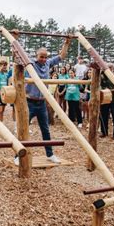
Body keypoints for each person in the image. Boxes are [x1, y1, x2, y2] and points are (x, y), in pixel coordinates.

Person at [22, 37, 71, 165]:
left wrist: (66, 43)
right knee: (23, 129)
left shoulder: (48, 63)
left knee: (45, 129)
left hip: (42, 102)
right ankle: (19, 154)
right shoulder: (30, 64)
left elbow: (62, 56)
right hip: (30, 102)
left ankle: (50, 154)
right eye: (41, 57)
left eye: (45, 57)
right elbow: (17, 55)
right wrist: (15, 39)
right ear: (36, 55)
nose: (43, 59)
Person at [99, 63, 114, 139]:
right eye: (107, 67)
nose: (109, 69)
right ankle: (104, 132)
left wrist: (109, 91)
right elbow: (98, 85)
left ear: (112, 68)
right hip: (104, 99)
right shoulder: (101, 76)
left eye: (110, 67)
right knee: (103, 116)